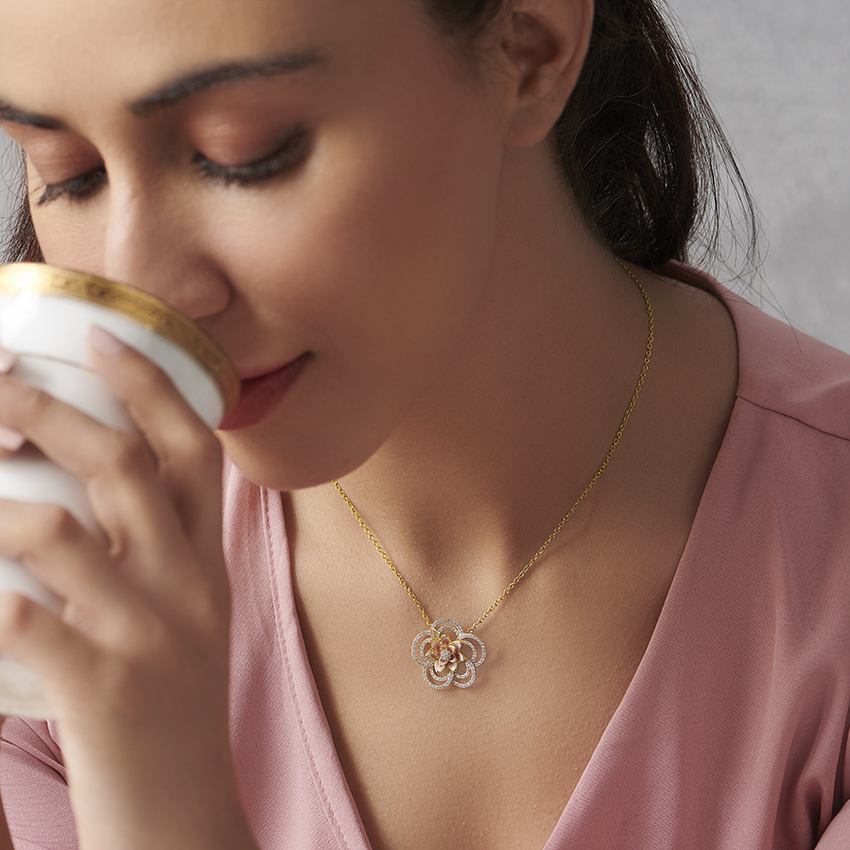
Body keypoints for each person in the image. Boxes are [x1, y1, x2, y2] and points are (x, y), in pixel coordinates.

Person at [0, 0, 847, 848]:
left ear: (530, 45)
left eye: (243, 152)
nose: (146, 296)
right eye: (68, 172)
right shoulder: (40, 582)